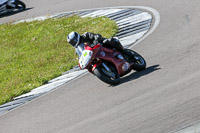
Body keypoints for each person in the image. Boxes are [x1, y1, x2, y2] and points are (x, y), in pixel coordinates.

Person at [67, 31, 131, 57]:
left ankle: (123, 50)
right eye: (71, 43)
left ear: (76, 37)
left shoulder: (86, 35)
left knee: (107, 41)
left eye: (73, 41)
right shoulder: (78, 48)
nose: (73, 43)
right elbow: (81, 55)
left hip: (101, 45)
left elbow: (97, 36)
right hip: (95, 54)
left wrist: (95, 42)